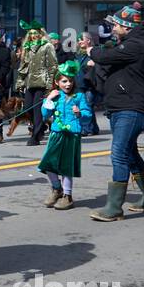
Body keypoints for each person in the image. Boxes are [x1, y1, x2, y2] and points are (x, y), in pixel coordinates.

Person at [87, 3, 144, 221]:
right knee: (129, 153)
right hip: (121, 106)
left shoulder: (136, 45)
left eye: (116, 24)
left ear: (126, 26)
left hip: (131, 108)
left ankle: (114, 206)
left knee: (118, 153)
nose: (113, 27)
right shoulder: (130, 43)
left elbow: (104, 57)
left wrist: (92, 50)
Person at [38, 60, 90, 211]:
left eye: (70, 81)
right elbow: (45, 114)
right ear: (57, 82)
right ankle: (56, 188)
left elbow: (88, 114)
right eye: (64, 81)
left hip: (72, 134)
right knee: (48, 163)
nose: (68, 84)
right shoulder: (55, 96)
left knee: (66, 167)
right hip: (56, 133)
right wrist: (48, 99)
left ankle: (68, 196)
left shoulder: (79, 96)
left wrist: (80, 113)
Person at [15, 20, 57, 146]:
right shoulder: (27, 47)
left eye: (36, 32)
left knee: (37, 110)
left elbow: (53, 66)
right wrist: (20, 82)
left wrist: (49, 86)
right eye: (31, 33)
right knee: (28, 108)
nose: (34, 35)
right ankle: (41, 127)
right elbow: (23, 67)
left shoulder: (47, 46)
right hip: (29, 83)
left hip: (42, 83)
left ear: (41, 33)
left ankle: (36, 135)